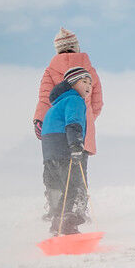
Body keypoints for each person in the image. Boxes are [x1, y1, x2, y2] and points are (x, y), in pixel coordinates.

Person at [40, 66, 94, 234]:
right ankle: (68, 226)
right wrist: (76, 145)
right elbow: (73, 122)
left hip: (50, 154)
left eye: (90, 83)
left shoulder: (54, 106)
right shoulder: (75, 100)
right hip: (65, 149)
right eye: (84, 81)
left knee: (63, 188)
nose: (88, 86)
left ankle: (56, 225)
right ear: (72, 84)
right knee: (74, 186)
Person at [33, 27, 103, 155]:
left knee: (58, 171)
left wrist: (39, 120)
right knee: (79, 172)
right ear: (76, 47)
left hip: (56, 133)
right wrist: (84, 118)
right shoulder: (89, 71)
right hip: (83, 133)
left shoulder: (50, 71)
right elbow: (97, 104)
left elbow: (45, 99)